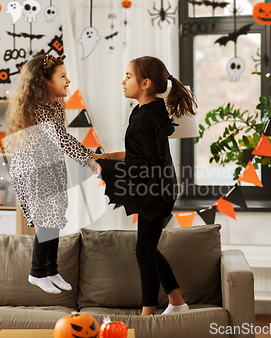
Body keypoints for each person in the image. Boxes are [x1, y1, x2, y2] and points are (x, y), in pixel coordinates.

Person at [97, 56, 197, 315]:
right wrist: (108, 157)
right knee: (147, 249)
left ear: (145, 83)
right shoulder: (150, 110)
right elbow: (140, 154)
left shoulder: (145, 116)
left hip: (154, 192)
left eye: (128, 76)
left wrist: (105, 168)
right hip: (159, 188)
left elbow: (144, 164)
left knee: (144, 252)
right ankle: (177, 302)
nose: (123, 81)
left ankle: (148, 314)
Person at [5, 54, 105, 294]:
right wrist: (89, 158)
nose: (68, 81)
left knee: (56, 217)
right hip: (34, 171)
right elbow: (60, 139)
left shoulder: (53, 106)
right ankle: (36, 272)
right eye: (62, 76)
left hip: (49, 169)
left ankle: (51, 268)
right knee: (47, 220)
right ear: (45, 81)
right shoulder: (40, 108)